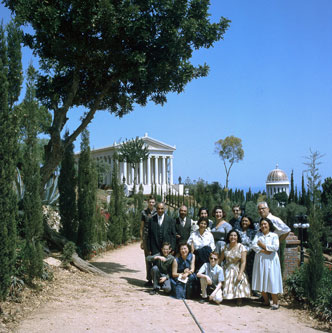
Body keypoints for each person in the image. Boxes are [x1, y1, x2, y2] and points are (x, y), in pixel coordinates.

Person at [251, 218, 283, 310]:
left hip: (271, 261)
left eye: (265, 224)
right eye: (261, 224)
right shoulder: (258, 235)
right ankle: (266, 301)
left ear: (269, 225)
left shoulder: (274, 236)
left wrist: (262, 245)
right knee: (261, 279)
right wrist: (264, 250)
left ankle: (276, 302)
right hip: (260, 259)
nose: (263, 226)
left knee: (272, 279)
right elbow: (253, 245)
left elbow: (275, 247)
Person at [219, 229, 251, 305]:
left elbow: (243, 262)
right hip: (227, 268)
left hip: (237, 268)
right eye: (231, 235)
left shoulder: (241, 247)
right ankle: (227, 296)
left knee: (239, 278)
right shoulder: (225, 247)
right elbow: (220, 259)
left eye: (235, 235)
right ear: (228, 237)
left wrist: (240, 274)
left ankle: (238, 297)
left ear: (237, 237)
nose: (233, 237)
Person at [140, 196, 157, 286]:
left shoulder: (157, 212)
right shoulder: (144, 212)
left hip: (154, 238)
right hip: (146, 237)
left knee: (155, 257)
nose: (151, 204)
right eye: (150, 202)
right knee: (147, 258)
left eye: (153, 202)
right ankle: (149, 279)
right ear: (147, 202)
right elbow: (142, 227)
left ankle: (156, 279)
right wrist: (142, 240)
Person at [237, 215, 257, 283]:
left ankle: (252, 289)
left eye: (246, 221)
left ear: (250, 222)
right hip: (239, 253)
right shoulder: (238, 231)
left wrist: (247, 252)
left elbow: (254, 243)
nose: (244, 222)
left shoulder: (253, 232)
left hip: (250, 254)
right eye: (243, 221)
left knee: (250, 271)